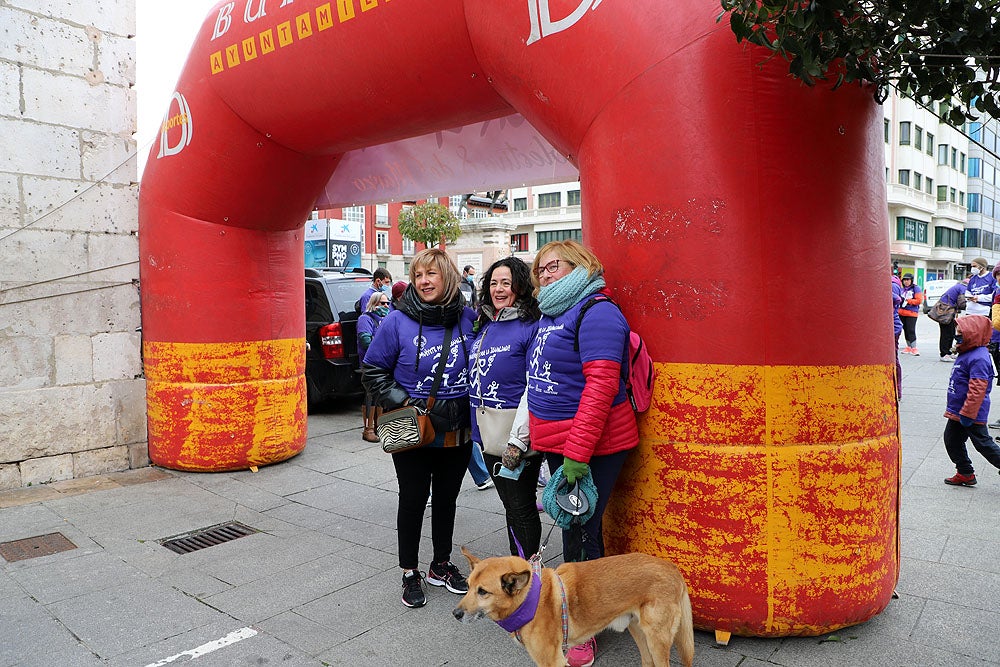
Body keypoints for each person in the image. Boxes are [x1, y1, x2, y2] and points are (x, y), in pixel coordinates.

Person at [526, 240, 639, 667]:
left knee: (581, 531)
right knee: (575, 528)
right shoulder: (552, 314)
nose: (545, 275)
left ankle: (582, 627)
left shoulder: (598, 311)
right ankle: (580, 610)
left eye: (553, 266)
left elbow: (601, 386)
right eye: (540, 270)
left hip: (591, 444)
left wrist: (576, 454)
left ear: (580, 265)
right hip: (559, 442)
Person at [361, 249, 475, 609]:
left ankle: (440, 564)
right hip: (413, 425)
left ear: (448, 277)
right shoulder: (397, 321)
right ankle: (409, 570)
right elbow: (373, 369)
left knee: (447, 498)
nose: (424, 281)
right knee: (412, 499)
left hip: (457, 427)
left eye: (432, 274)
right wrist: (404, 401)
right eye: (419, 274)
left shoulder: (468, 319)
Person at [468, 257, 542, 556]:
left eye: (506, 283)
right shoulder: (486, 323)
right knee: (510, 506)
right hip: (485, 430)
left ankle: (528, 575)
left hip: (514, 432)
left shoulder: (531, 326)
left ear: (520, 287)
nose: (499, 289)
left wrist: (518, 440)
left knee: (521, 506)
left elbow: (533, 385)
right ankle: (520, 567)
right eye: (494, 283)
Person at [941, 315, 1000, 487]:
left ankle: (966, 471)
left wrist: (968, 413)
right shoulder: (968, 351)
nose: (957, 335)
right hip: (959, 410)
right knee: (952, 440)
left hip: (970, 412)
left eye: (961, 332)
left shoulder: (979, 357)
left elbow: (978, 389)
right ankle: (965, 472)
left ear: (973, 334)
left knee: (984, 444)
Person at [357, 292, 390, 443]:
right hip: (369, 363)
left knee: (378, 396)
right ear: (374, 303)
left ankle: (377, 427)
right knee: (370, 395)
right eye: (383, 303)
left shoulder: (383, 320)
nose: (386, 306)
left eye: (387, 303)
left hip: (382, 362)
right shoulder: (365, 319)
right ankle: (368, 429)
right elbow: (365, 340)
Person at [936, 276, 968, 362]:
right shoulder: (963, 288)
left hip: (946, 311)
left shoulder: (958, 286)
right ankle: (944, 354)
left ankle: (948, 352)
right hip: (946, 312)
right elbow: (962, 303)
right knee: (946, 333)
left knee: (950, 332)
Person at [898, 273, 923, 355]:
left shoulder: (916, 289)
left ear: (911, 280)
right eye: (904, 280)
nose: (906, 282)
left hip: (912, 313)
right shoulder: (902, 289)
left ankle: (914, 348)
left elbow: (919, 300)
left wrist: (908, 301)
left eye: (908, 280)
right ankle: (908, 347)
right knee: (905, 330)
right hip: (902, 313)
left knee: (911, 330)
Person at [892, 274, 904, 401]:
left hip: (892, 328)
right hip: (893, 326)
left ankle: (896, 390)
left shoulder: (891, 284)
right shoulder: (894, 283)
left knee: (893, 359)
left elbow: (896, 299)